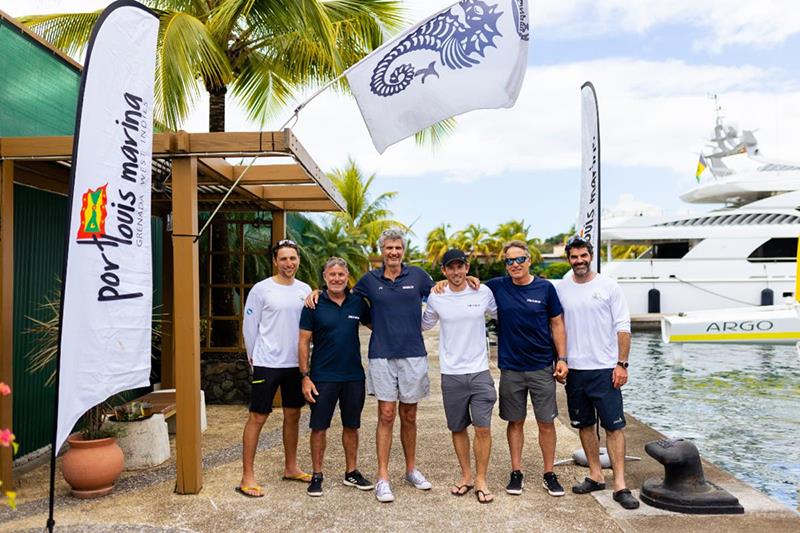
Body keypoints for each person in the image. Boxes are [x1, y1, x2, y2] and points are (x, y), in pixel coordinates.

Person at [306, 228, 434, 503]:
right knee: (386, 414)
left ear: (404, 250)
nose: (393, 252)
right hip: (381, 356)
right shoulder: (369, 281)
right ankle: (383, 477)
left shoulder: (419, 277)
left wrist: (468, 280)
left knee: (409, 415)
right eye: (388, 248)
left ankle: (411, 470)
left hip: (413, 354)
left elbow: (442, 292)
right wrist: (317, 291)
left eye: (398, 247)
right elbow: (340, 290)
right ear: (381, 251)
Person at [440, 240, 568, 496]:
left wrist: (562, 358)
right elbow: (467, 284)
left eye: (520, 259)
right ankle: (516, 472)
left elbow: (557, 323)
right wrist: (449, 281)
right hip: (510, 367)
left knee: (546, 422)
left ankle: (549, 473)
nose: (515, 265)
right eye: (509, 261)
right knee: (515, 421)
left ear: (529, 260)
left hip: (542, 365)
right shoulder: (497, 287)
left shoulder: (546, 288)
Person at [555, 236, 639, 510]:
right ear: (568, 259)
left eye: (583, 256)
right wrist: (562, 360)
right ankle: (595, 474)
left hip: (605, 369)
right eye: (574, 257)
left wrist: (622, 363)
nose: (579, 261)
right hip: (576, 370)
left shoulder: (609, 286)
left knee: (614, 426)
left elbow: (623, 326)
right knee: (585, 425)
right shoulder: (562, 288)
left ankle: (620, 485)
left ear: (591, 256)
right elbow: (557, 325)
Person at [422, 249, 498, 504]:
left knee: (483, 428)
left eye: (460, 267)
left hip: (479, 371)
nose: (456, 272)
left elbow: (504, 314)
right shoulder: (437, 296)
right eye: (450, 268)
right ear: (443, 270)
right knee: (457, 427)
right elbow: (424, 324)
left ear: (467, 268)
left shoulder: (483, 292)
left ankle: (481, 479)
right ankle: (466, 476)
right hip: (451, 373)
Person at [238, 239, 312, 498]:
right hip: (266, 363)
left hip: (295, 364)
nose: (288, 263)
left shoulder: (305, 290)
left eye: (292, 258)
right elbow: (250, 326)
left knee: (293, 415)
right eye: (283, 259)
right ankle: (247, 476)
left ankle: (291, 467)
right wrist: (253, 358)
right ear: (275, 261)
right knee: (258, 417)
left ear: (298, 260)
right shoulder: (261, 289)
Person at [298, 257, 374, 497]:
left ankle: (351, 472)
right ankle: (317, 475)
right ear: (325, 277)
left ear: (347, 276)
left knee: (352, 425)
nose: (337, 278)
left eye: (341, 274)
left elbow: (379, 325)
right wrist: (305, 376)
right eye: (332, 275)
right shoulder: (313, 304)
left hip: (353, 376)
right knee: (319, 427)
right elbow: (303, 341)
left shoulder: (357, 303)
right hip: (322, 377)